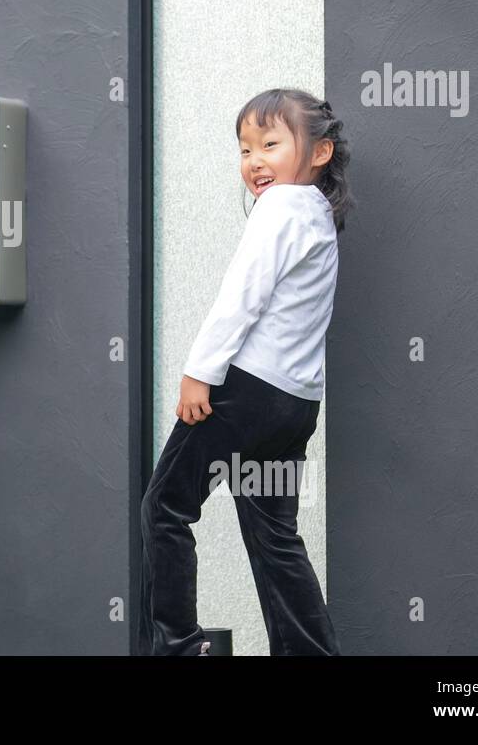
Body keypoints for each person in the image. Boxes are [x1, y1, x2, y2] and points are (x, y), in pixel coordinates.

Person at [139, 88, 354, 656]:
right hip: (293, 406)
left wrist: (198, 373)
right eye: (244, 149)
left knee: (165, 508)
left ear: (319, 153)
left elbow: (241, 298)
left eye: (270, 144)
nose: (254, 160)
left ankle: (179, 645)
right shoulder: (318, 217)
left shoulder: (280, 207)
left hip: (243, 393)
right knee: (274, 535)